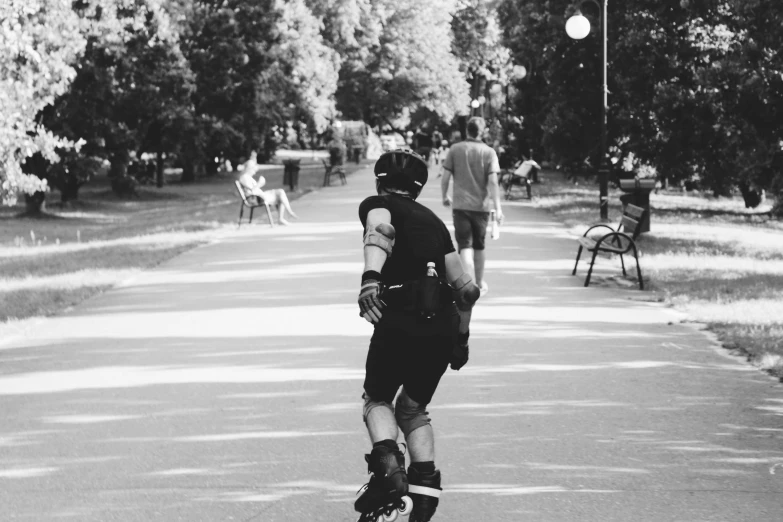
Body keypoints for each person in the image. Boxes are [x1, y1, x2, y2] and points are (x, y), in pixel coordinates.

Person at [355, 149, 480, 522]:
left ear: (380, 181)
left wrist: (371, 279)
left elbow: (380, 230)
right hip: (441, 324)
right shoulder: (435, 224)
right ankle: (423, 498)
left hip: (400, 316)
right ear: (419, 189)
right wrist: (461, 337)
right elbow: (467, 290)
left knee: (377, 399)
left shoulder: (378, 203)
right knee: (412, 409)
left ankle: (390, 471)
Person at [440, 117, 503, 296]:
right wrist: (498, 208)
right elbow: (493, 182)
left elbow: (445, 178)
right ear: (482, 132)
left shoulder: (455, 149)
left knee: (464, 246)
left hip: (460, 206)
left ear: (466, 131)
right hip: (481, 207)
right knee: (479, 246)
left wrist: (445, 196)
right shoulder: (489, 152)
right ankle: (480, 282)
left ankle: (466, 286)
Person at [237, 151, 298, 225]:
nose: (254, 171)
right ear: (249, 168)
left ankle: (285, 215)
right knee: (280, 193)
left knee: (280, 192)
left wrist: (260, 183)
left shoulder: (247, 177)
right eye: (253, 169)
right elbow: (252, 190)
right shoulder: (244, 178)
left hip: (258, 196)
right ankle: (286, 215)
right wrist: (260, 183)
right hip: (255, 198)